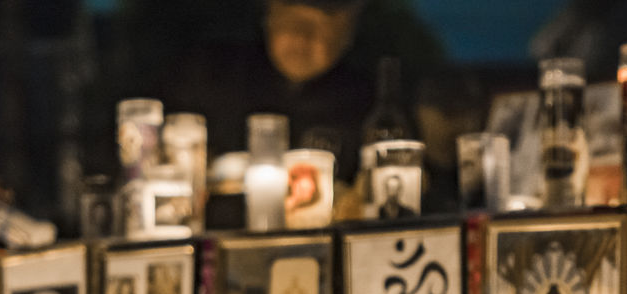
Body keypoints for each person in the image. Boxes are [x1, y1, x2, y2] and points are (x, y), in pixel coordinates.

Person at [152, 0, 443, 184]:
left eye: (321, 29)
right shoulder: (206, 76)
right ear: (268, 17)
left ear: (346, 35)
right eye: (293, 23)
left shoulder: (368, 106)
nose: (303, 39)